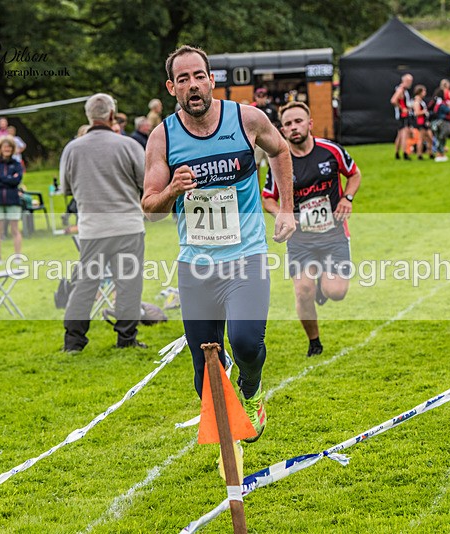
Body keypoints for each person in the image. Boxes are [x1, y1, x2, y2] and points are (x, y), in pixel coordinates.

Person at [142, 45, 296, 448]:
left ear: (212, 80)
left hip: (246, 258)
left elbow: (280, 150)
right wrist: (174, 188)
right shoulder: (163, 137)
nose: (193, 85)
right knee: (205, 370)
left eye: (199, 76)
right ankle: (228, 435)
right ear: (171, 87)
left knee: (246, 342)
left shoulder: (246, 119)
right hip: (196, 268)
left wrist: (286, 209)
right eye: (183, 79)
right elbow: (150, 207)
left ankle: (252, 387)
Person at [261, 102, 361, 357]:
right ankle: (314, 342)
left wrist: (346, 199)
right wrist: (284, 214)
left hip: (334, 234)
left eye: (298, 121)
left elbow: (354, 174)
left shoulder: (331, 150)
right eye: (288, 124)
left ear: (309, 124)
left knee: (335, 292)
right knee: (302, 290)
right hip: (301, 239)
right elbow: (268, 198)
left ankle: (322, 287)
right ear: (281, 130)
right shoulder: (279, 162)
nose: (294, 128)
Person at [61, 93, 146, 352]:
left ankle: (74, 341)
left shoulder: (72, 148)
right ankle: (126, 338)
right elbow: (145, 183)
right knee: (128, 283)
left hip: (92, 228)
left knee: (85, 284)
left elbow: (66, 189)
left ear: (89, 116)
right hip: (127, 226)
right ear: (111, 115)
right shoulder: (129, 145)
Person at [0, 136, 24, 265]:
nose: (6, 149)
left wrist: (1, 178)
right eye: (4, 147)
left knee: (15, 229)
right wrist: (8, 179)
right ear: (0, 149)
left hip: (12, 199)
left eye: (9, 147)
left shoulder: (16, 164)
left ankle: (18, 256)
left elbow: (16, 181)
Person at [251, 87, 280, 168]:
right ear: (255, 97)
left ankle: (271, 180)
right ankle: (258, 181)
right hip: (257, 142)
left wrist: (274, 125)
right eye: (259, 96)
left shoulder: (272, 108)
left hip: (270, 141)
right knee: (256, 165)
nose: (261, 99)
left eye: (263, 96)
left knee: (272, 165)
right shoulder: (252, 109)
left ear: (266, 97)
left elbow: (279, 123)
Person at [391, 73, 413, 160]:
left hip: (401, 115)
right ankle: (405, 153)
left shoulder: (403, 90)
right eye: (409, 81)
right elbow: (393, 100)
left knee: (400, 135)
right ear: (405, 81)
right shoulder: (401, 89)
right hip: (402, 115)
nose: (410, 83)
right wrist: (402, 108)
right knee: (404, 134)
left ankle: (397, 153)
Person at [430, 88, 450, 163]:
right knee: (441, 139)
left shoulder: (434, 102)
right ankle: (439, 155)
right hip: (441, 122)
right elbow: (447, 111)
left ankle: (440, 154)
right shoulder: (441, 103)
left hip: (434, 123)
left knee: (438, 138)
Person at [412, 84, 432, 160]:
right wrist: (424, 111)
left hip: (425, 121)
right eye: (424, 91)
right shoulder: (417, 102)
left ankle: (430, 153)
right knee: (421, 139)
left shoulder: (421, 101)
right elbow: (416, 113)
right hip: (421, 122)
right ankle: (419, 154)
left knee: (430, 138)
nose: (425, 93)